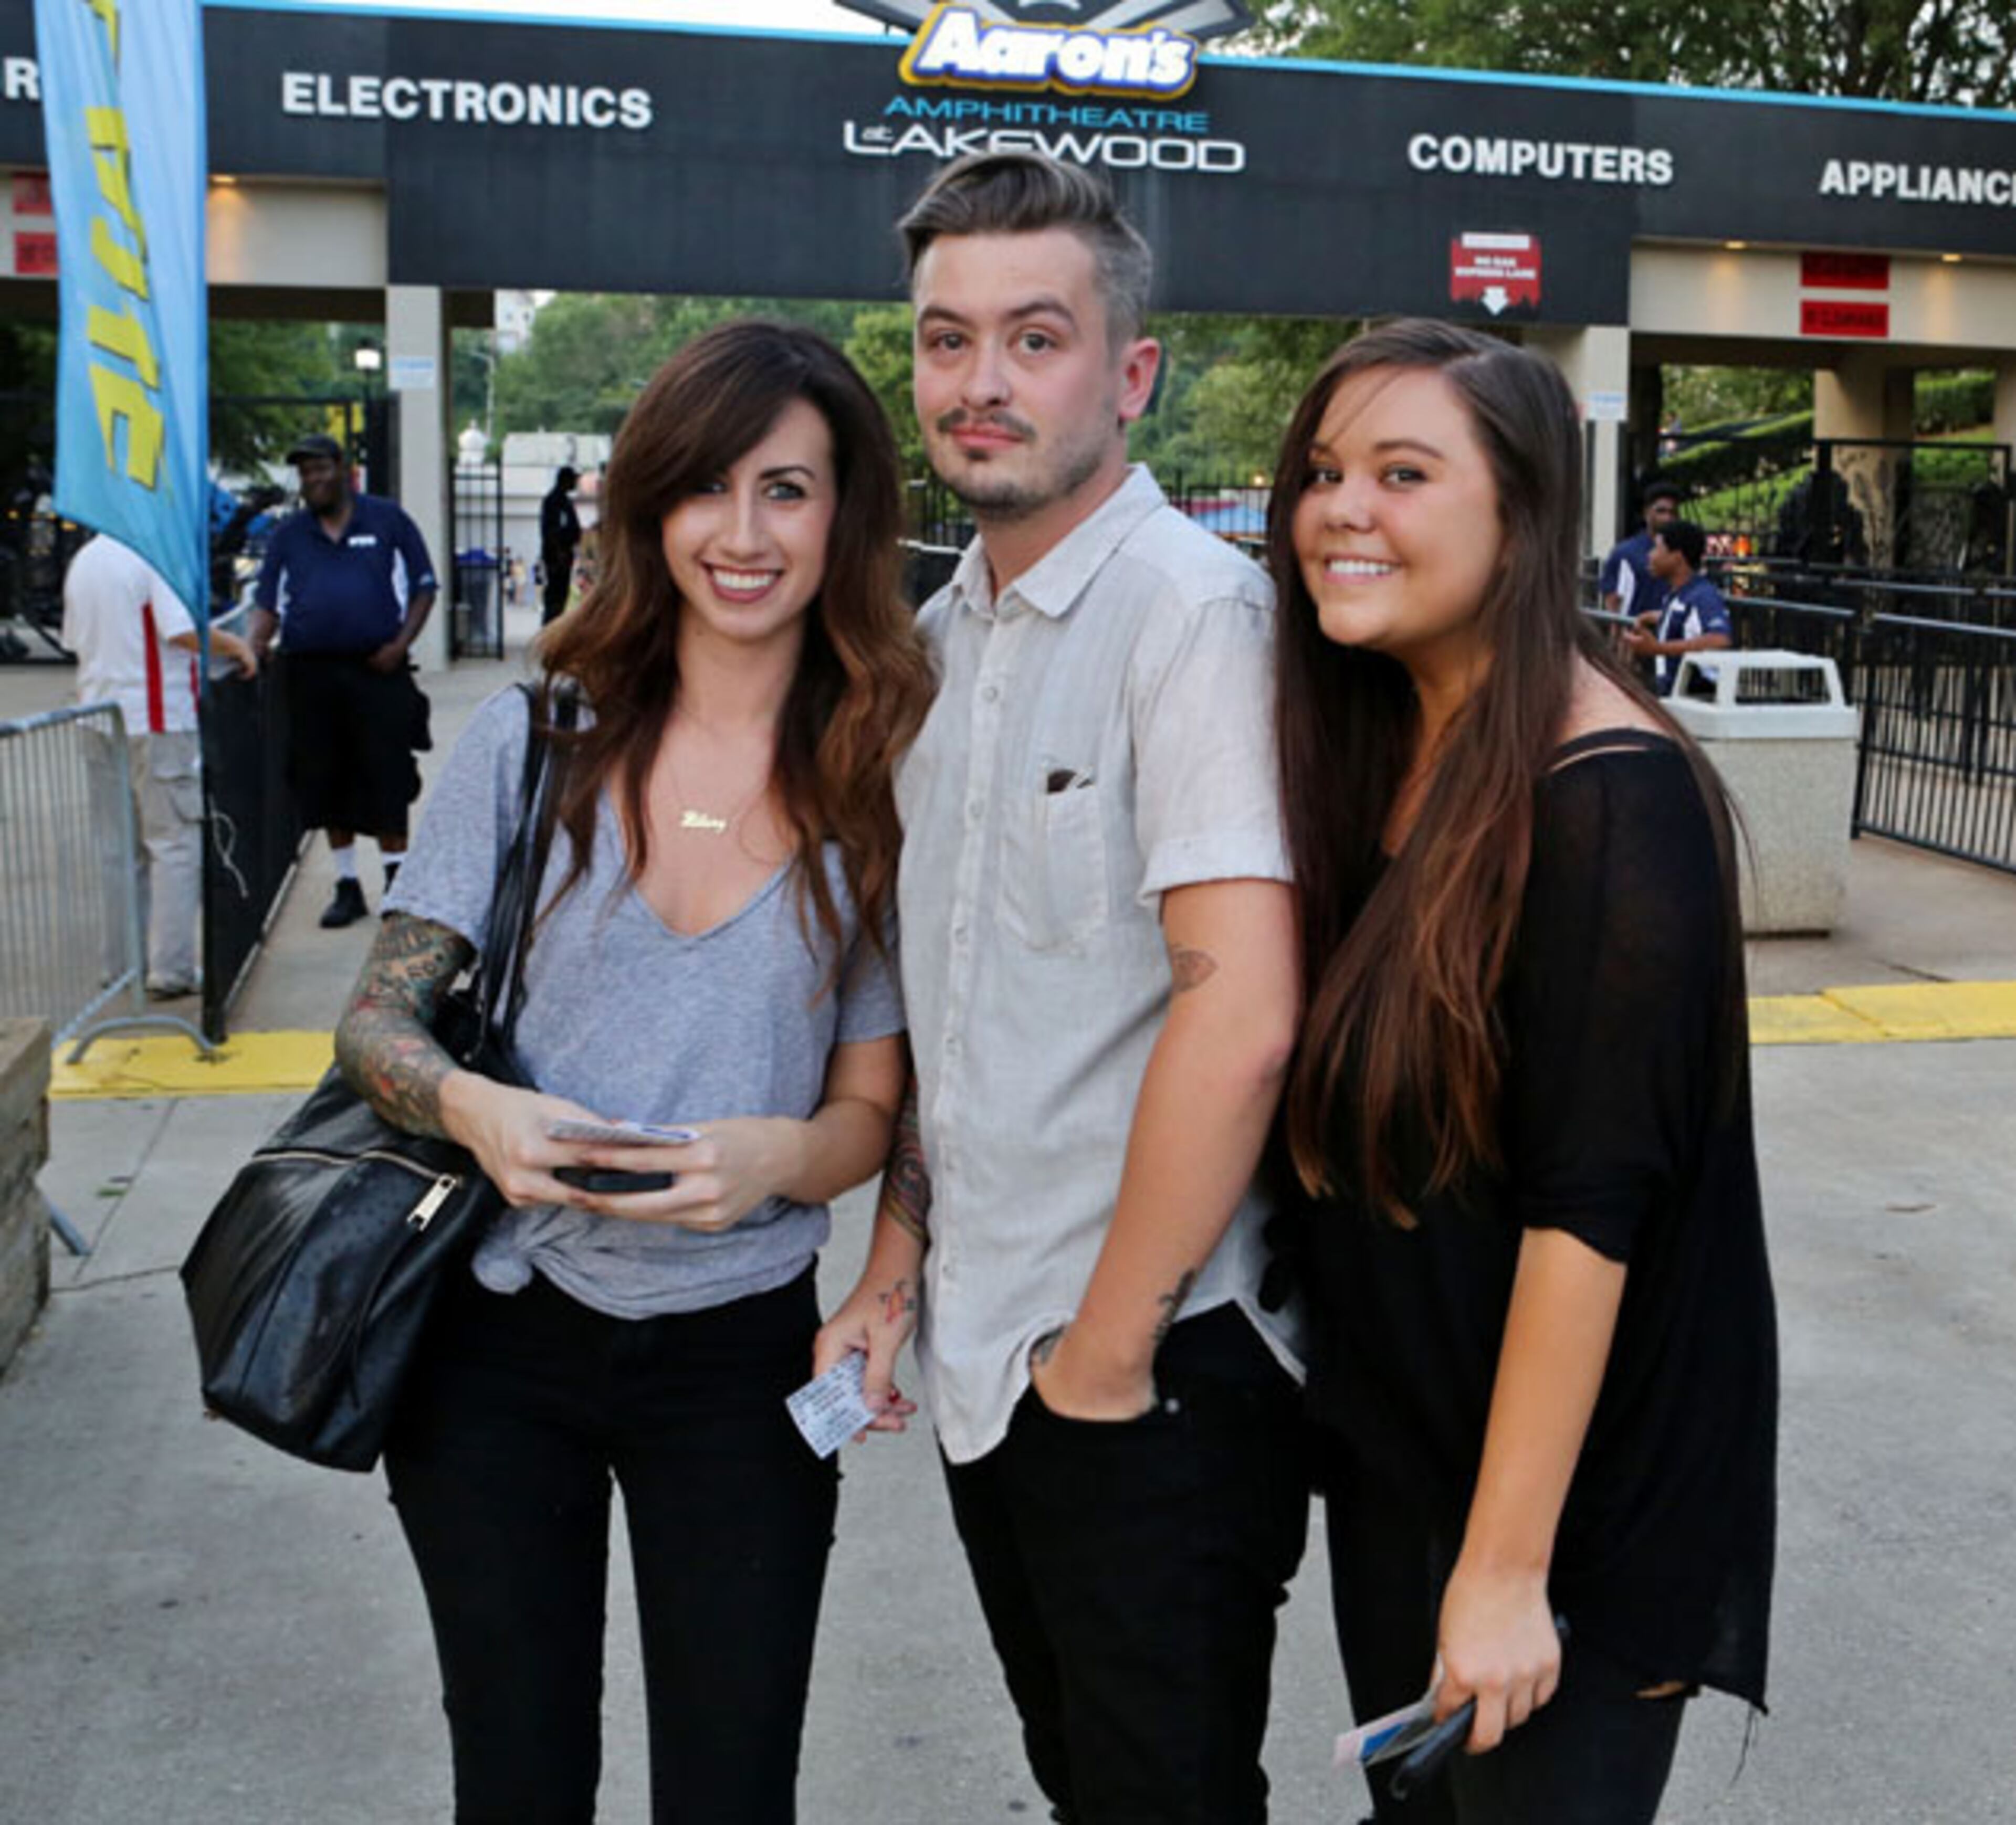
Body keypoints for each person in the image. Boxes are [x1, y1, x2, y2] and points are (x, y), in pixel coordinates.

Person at [330, 320, 932, 1823]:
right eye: (706, 488)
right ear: (648, 509)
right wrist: (475, 1103)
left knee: (732, 1789)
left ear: (844, 514)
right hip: (492, 1343)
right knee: (518, 1777)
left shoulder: (877, 776)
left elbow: (872, 1107)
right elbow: (377, 1023)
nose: (742, 534)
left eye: (787, 490)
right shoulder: (532, 738)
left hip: (740, 1360)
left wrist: (776, 1161)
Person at [816, 151, 1308, 1824]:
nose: (977, 383)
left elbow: (1235, 1014)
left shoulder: (1194, 622)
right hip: (988, 1357)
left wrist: (1100, 1362)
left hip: (1146, 1372)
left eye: (1033, 338)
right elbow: (957, 1016)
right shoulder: (939, 641)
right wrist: (894, 1266)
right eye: (945, 341)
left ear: (1130, 372)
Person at [1270, 319, 1776, 1824]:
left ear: (1525, 513)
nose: (1343, 508)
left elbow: (1589, 1216)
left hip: (1567, 1524)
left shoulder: (1609, 793)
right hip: (1412, 1460)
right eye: (1324, 470)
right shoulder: (1393, 742)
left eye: (1404, 473)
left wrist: (1502, 1571)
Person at [249, 432, 438, 929]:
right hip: (311, 674)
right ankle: (347, 883)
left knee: (386, 773)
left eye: (321, 469)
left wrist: (400, 645)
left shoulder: (387, 520)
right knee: (326, 777)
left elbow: (424, 586)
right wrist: (251, 650)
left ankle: (397, 880)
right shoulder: (290, 534)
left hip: (377, 670)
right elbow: (268, 603)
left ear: (343, 469)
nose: (313, 479)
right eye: (306, 472)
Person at [60, 530, 257, 999]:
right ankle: (171, 967)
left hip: (99, 715)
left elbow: (73, 639)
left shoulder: (87, 558)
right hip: (156, 718)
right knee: (173, 843)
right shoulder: (155, 553)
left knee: (118, 849)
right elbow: (181, 630)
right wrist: (237, 646)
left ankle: (123, 964)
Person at [1626, 516, 1733, 696]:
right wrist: (1656, 616)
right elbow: (1689, 621)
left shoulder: (1703, 595)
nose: (1650, 555)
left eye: (1658, 549)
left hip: (1693, 702)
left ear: (1677, 557)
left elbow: (1720, 639)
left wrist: (1657, 649)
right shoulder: (1680, 594)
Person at [1598, 477, 1681, 621]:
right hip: (1636, 632)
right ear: (1647, 513)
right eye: (1661, 511)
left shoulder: (1682, 553)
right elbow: (1612, 601)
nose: (1667, 518)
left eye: (1672, 512)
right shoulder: (1624, 553)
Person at [539, 463, 582, 625]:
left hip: (564, 555)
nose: (575, 483)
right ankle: (550, 627)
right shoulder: (554, 502)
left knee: (561, 595)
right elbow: (551, 531)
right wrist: (559, 553)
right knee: (555, 596)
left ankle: (554, 625)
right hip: (557, 557)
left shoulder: (564, 501)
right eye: (573, 480)